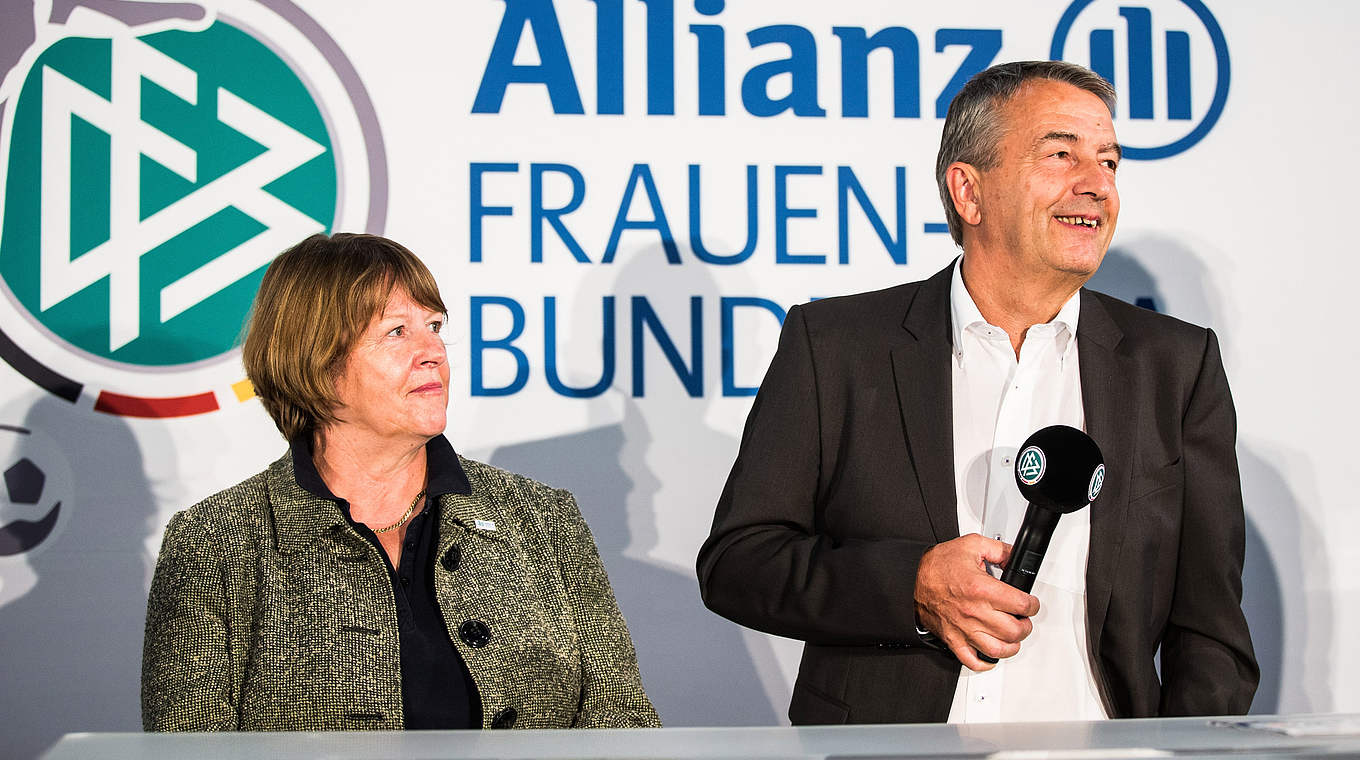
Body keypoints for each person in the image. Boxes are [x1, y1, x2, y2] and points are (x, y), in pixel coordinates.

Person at [696, 61, 1258, 724]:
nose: (1096, 185)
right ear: (968, 191)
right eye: (1060, 154)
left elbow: (1211, 629)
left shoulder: (1175, 366)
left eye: (1109, 162)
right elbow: (740, 561)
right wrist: (911, 587)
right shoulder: (838, 346)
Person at [142, 233, 660, 731]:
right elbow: (188, 749)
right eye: (396, 332)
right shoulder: (215, 543)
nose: (432, 350)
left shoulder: (542, 519)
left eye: (435, 326)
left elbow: (623, 725)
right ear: (316, 363)